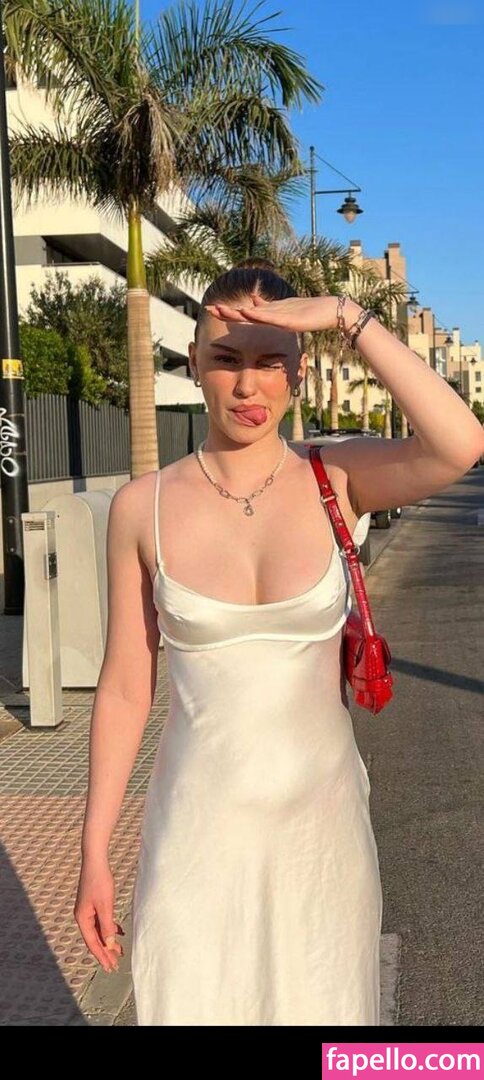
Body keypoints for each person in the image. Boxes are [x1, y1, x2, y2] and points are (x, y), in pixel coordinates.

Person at [74, 266, 484, 1026]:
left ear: (298, 372)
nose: (247, 386)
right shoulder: (141, 508)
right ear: (194, 363)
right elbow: (126, 687)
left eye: (270, 361)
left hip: (322, 833)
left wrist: (343, 314)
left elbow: (460, 444)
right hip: (196, 831)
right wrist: (94, 851)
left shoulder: (338, 478)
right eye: (226, 359)